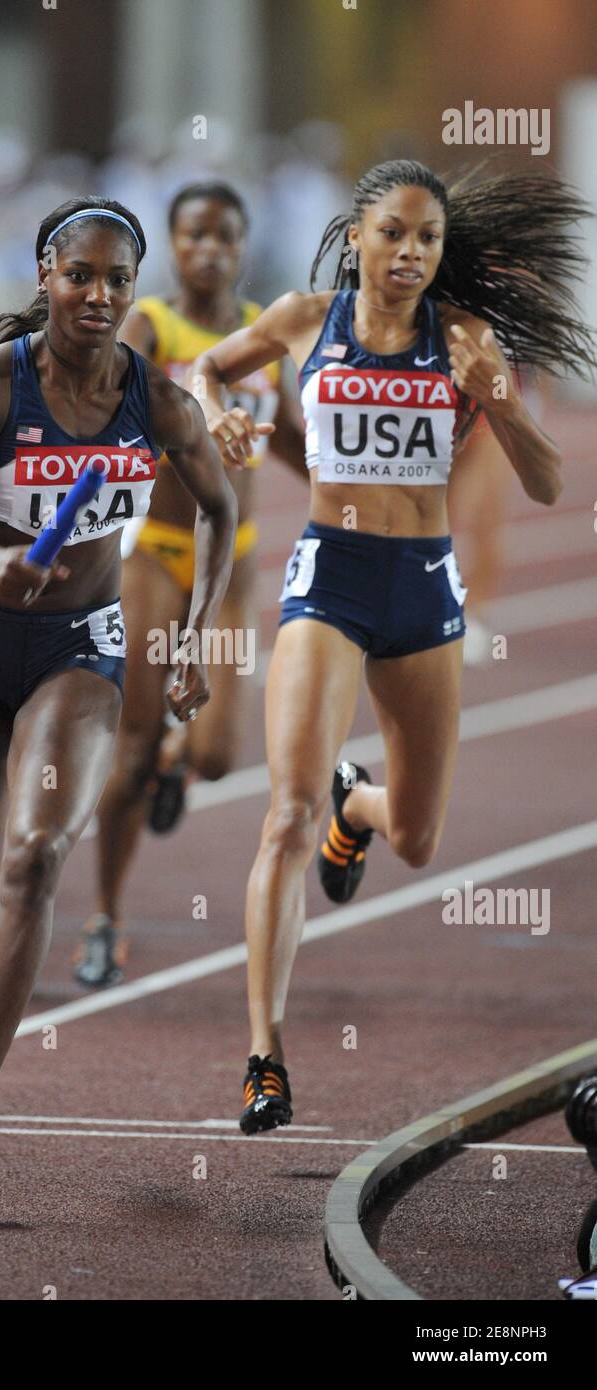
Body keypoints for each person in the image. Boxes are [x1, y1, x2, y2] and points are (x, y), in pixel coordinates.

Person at [189, 161, 596, 1134]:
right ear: (355, 236)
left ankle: (355, 807)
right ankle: (264, 1058)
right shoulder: (302, 318)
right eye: (392, 234)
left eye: (426, 239)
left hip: (421, 589)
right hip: (327, 580)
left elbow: (542, 484)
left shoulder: (461, 338)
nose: (408, 253)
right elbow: (207, 367)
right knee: (281, 815)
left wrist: (496, 400)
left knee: (414, 835)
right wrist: (214, 415)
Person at [0, 197, 237, 1191]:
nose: (97, 294)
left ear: (133, 290)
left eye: (117, 280)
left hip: (82, 650)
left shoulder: (156, 403)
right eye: (79, 274)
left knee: (34, 862)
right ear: (44, 273)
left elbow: (219, 505)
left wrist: (193, 634)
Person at [73, 181, 306, 988]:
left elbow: (298, 448)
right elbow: (104, 410)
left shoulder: (259, 337)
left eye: (224, 236)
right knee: (131, 747)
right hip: (158, 549)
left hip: (229, 560)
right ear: (173, 247)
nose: (209, 249)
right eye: (194, 235)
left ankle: (179, 759)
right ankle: (104, 919)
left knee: (214, 757)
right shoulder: (152, 327)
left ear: (243, 246)